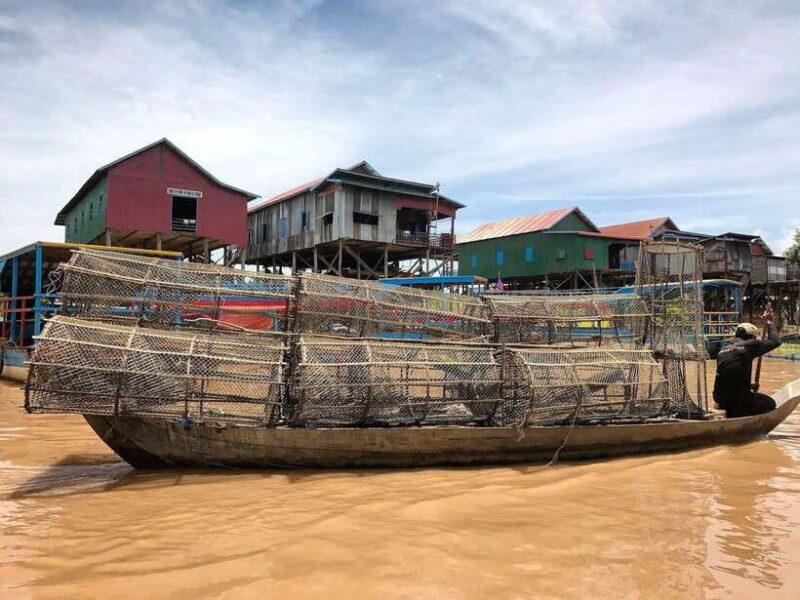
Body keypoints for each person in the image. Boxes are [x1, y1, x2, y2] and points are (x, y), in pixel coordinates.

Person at [713, 305, 781, 418]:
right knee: (770, 403)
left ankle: (730, 407)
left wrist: (749, 386)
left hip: (719, 398)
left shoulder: (723, 349)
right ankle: (739, 412)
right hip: (737, 399)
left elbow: (729, 375)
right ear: (751, 336)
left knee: (739, 396)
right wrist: (769, 322)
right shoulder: (751, 344)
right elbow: (776, 341)